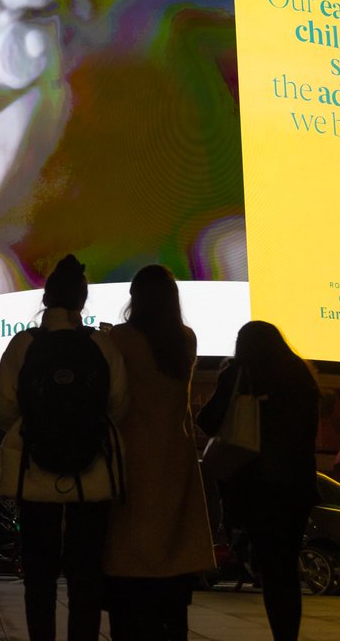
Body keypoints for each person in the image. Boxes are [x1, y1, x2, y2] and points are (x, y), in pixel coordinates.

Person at [0, 255, 128, 641]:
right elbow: (119, 406)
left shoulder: (23, 345)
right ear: (82, 301)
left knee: (39, 580)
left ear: (46, 298)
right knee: (86, 578)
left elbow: (2, 410)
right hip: (91, 476)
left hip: (34, 474)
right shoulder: (101, 344)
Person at [103, 265, 214, 641]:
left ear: (135, 298)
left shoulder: (119, 338)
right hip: (174, 463)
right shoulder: (185, 340)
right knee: (172, 576)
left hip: (130, 465)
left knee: (130, 584)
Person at [197, 321, 319, 641]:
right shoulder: (301, 376)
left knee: (269, 566)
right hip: (296, 487)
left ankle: (281, 631)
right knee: (285, 569)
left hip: (257, 487)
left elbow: (208, 420)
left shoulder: (241, 373)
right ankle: (287, 635)